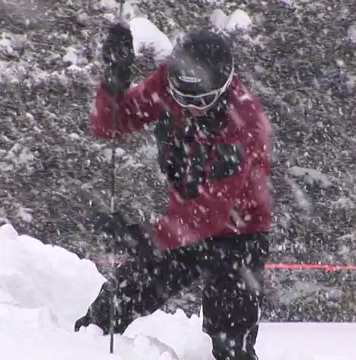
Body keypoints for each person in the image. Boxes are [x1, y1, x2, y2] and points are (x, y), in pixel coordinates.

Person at [74, 23, 273, 360]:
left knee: (231, 341)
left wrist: (146, 237)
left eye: (204, 101)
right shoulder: (167, 82)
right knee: (115, 304)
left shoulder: (246, 122)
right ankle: (72, 350)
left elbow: (211, 213)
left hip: (239, 235)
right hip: (183, 225)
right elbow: (110, 124)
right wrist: (113, 81)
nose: (193, 108)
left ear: (224, 88)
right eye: (184, 99)